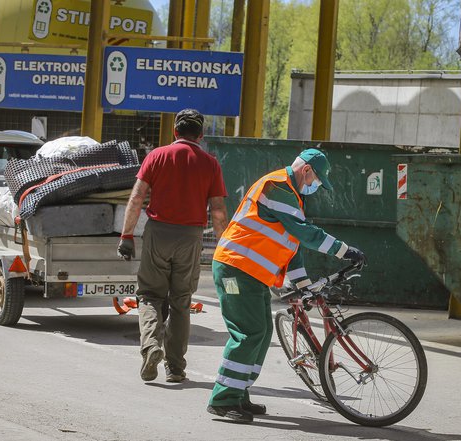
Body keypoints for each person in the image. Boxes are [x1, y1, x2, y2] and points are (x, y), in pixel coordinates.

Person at [207, 148, 366, 423]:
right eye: (317, 180)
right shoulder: (278, 186)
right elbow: (307, 235)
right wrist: (345, 250)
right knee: (248, 333)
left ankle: (238, 393)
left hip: (251, 274)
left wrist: (304, 286)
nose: (316, 187)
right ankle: (222, 400)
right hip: (235, 268)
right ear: (306, 170)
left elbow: (293, 249)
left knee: (262, 331)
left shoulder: (291, 197)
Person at [117, 108, 228, 383]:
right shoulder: (210, 163)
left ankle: (152, 346)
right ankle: (175, 368)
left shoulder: (157, 156)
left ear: (175, 132)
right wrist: (224, 247)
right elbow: (218, 211)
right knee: (180, 302)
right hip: (190, 238)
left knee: (150, 296)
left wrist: (127, 235)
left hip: (158, 234)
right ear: (200, 135)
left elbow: (137, 197)